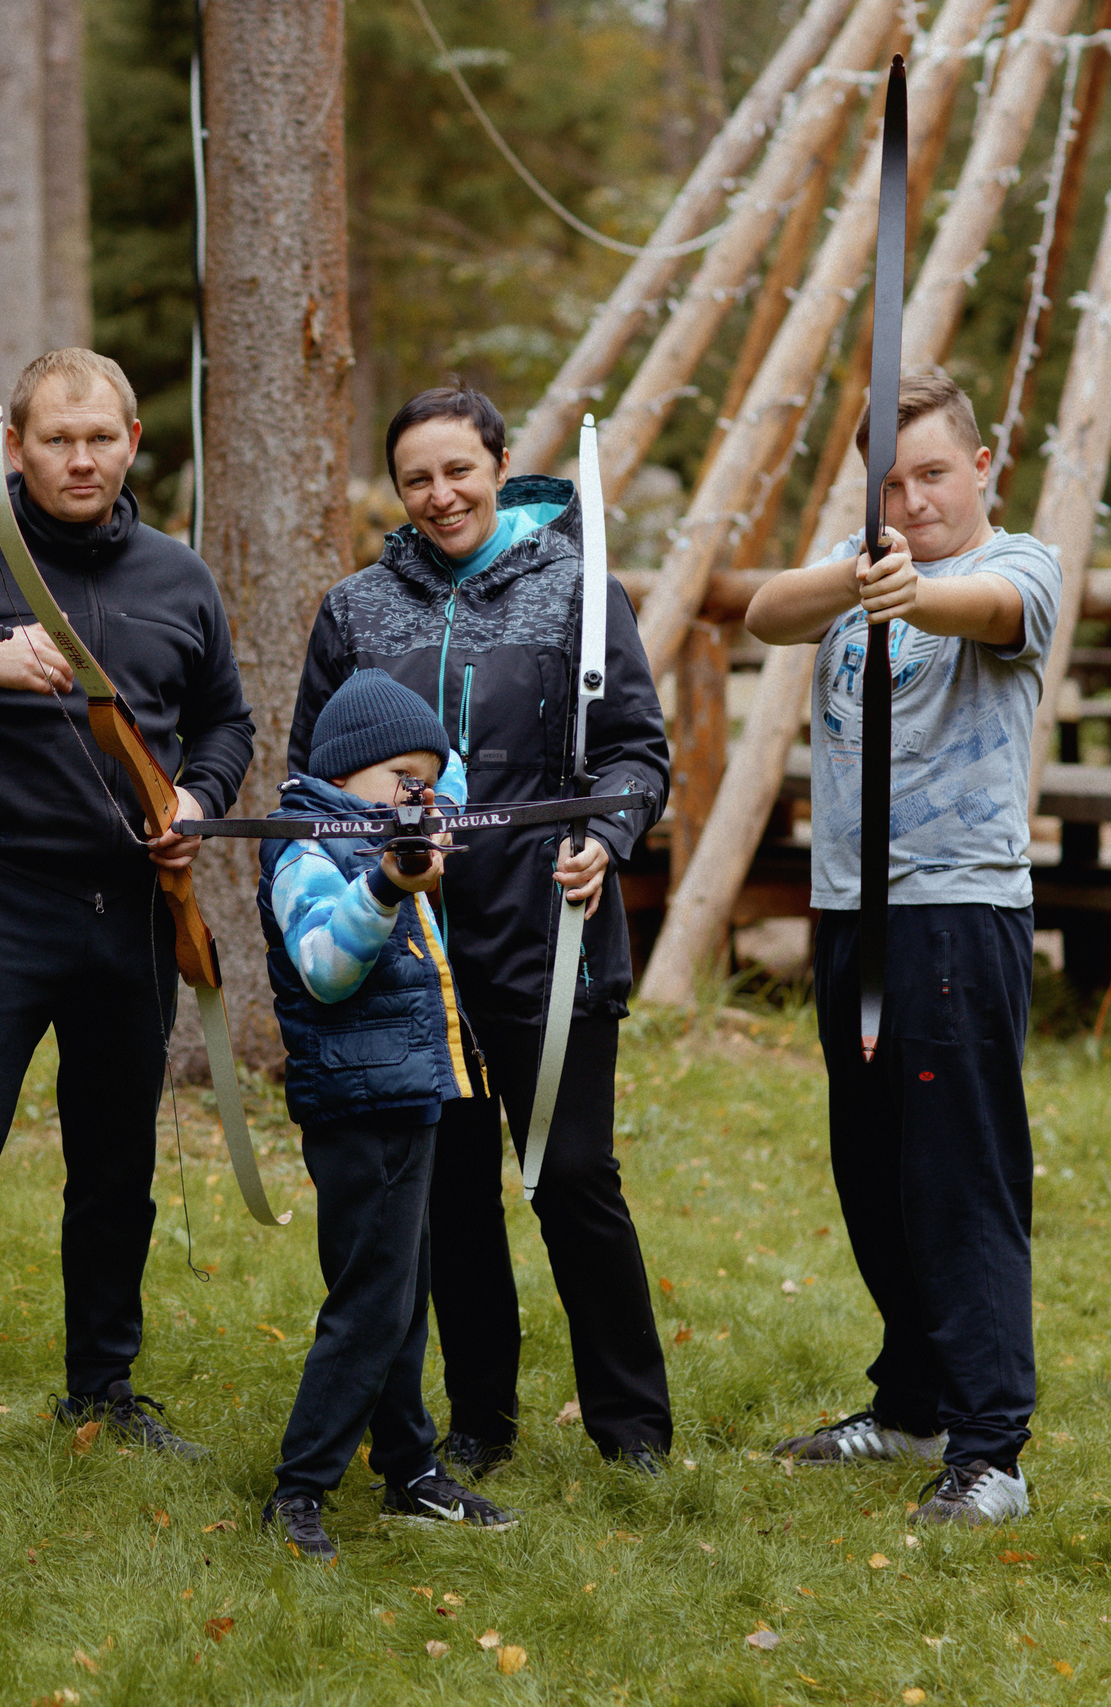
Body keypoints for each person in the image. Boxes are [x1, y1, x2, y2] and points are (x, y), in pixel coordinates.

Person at [0, 347, 256, 1508]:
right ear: (14, 445)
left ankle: (103, 1389)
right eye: (57, 439)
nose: (81, 459)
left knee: (117, 1171)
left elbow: (225, 722)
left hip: (131, 915)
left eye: (101, 438)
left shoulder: (178, 578)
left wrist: (199, 803)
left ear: (131, 445)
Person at [289, 384, 674, 1474]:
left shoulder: (579, 592)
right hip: (413, 949)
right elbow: (314, 776)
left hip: (549, 934)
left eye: (459, 469)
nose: (440, 493)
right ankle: (480, 1422)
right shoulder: (356, 610)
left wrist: (607, 833)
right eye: (417, 477)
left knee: (573, 1177)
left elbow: (635, 751)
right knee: (449, 1196)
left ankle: (631, 1427)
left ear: (500, 466)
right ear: (397, 489)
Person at [743, 369, 1055, 1527]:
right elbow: (766, 613)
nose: (913, 498)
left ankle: (990, 1451)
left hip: (954, 908)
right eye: (890, 480)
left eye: (933, 473)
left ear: (981, 469)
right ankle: (914, 1400)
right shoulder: (854, 563)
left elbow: (987, 616)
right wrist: (858, 570)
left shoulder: (1015, 564)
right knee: (871, 1169)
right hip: (849, 906)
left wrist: (909, 591)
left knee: (956, 1178)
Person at [257, 670, 518, 1563]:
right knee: (368, 1306)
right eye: (406, 778)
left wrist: (424, 819)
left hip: (407, 1096)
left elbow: (458, 792)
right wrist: (384, 887)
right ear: (350, 772)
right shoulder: (305, 847)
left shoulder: (395, 821)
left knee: (404, 1300)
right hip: (355, 1107)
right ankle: (301, 1485)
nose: (424, 795)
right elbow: (328, 965)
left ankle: (409, 1470)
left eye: (430, 780)